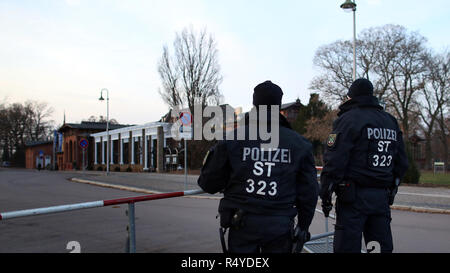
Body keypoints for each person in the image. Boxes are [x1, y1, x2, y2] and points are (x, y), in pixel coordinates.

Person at [198, 80, 319, 253]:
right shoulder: (300, 144)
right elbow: (309, 191)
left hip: (242, 225)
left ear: (254, 105)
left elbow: (208, 183)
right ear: (279, 107)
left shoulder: (232, 139)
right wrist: (304, 226)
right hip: (280, 227)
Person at [320, 78, 409, 253]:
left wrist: (325, 193)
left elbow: (334, 160)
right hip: (381, 197)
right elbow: (401, 161)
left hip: (353, 198)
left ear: (350, 97)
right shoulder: (390, 121)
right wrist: (393, 187)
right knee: (377, 247)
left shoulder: (348, 120)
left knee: (347, 246)